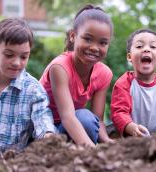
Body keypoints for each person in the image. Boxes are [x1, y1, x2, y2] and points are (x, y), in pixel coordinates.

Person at [40, 4, 114, 147]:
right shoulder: (60, 68)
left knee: (86, 118)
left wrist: (107, 141)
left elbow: (97, 118)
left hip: (70, 128)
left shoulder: (104, 73)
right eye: (87, 39)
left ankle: (78, 157)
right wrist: (94, 151)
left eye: (103, 43)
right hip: (43, 129)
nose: (94, 47)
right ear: (73, 36)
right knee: (82, 119)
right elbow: (67, 117)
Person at [0, 18, 57, 152]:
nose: (17, 63)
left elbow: (42, 119)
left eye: (23, 57)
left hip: (14, 163)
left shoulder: (33, 90)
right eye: (9, 55)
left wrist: (49, 137)